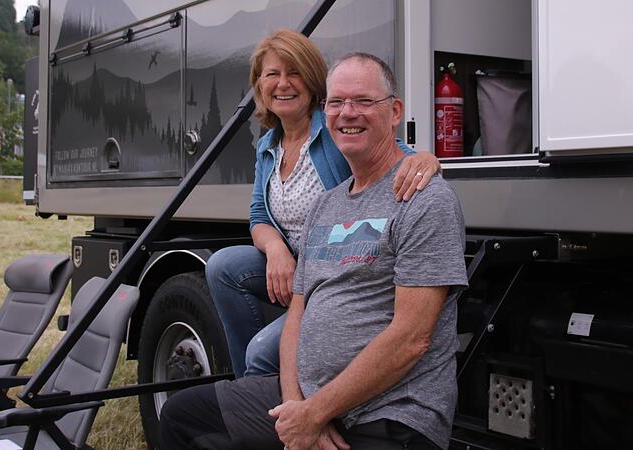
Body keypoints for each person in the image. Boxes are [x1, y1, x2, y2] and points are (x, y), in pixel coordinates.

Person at [160, 52, 468, 450]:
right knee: (181, 416)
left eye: (363, 101)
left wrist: (316, 412)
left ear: (394, 112)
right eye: (337, 103)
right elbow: (297, 318)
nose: (347, 113)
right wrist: (296, 408)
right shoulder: (326, 204)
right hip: (307, 398)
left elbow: (412, 338)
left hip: (389, 412)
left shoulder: (422, 198)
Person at [206, 29, 440, 378]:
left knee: (263, 352)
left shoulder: (332, 129)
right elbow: (258, 214)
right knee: (223, 266)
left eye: (294, 72)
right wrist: (276, 251)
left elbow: (396, 154)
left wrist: (426, 159)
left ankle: (272, 395)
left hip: (336, 271)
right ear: (259, 85)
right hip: (298, 270)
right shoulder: (268, 145)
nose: (283, 83)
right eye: (272, 74)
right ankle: (249, 387)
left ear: (313, 81)